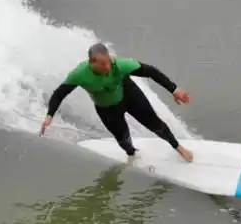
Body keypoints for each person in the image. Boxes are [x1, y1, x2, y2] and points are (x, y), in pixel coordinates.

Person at [40, 43, 194, 162]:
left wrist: (174, 89)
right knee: (123, 138)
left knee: (155, 123)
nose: (107, 67)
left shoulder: (118, 64)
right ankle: (132, 155)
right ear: (92, 61)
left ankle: (177, 147)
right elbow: (60, 94)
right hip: (107, 108)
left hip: (129, 94)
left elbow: (150, 71)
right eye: (102, 64)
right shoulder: (79, 74)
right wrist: (49, 115)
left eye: (108, 62)